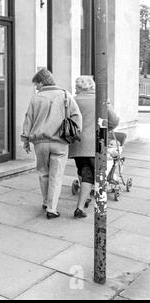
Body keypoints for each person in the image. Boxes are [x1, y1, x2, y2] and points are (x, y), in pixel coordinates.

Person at [22, 69, 82, 219]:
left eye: (37, 84)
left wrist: (25, 140)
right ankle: (51, 208)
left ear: (43, 81)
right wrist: (75, 132)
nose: (36, 87)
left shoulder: (36, 98)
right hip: (60, 142)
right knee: (57, 175)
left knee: (43, 173)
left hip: (40, 142)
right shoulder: (65, 95)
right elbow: (77, 116)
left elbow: (28, 119)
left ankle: (45, 201)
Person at [69, 76, 120, 218]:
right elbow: (114, 121)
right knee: (90, 174)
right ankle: (80, 207)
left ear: (79, 87)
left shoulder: (73, 100)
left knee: (83, 170)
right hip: (96, 143)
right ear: (92, 86)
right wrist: (104, 128)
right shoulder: (101, 100)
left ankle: (85, 199)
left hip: (77, 143)